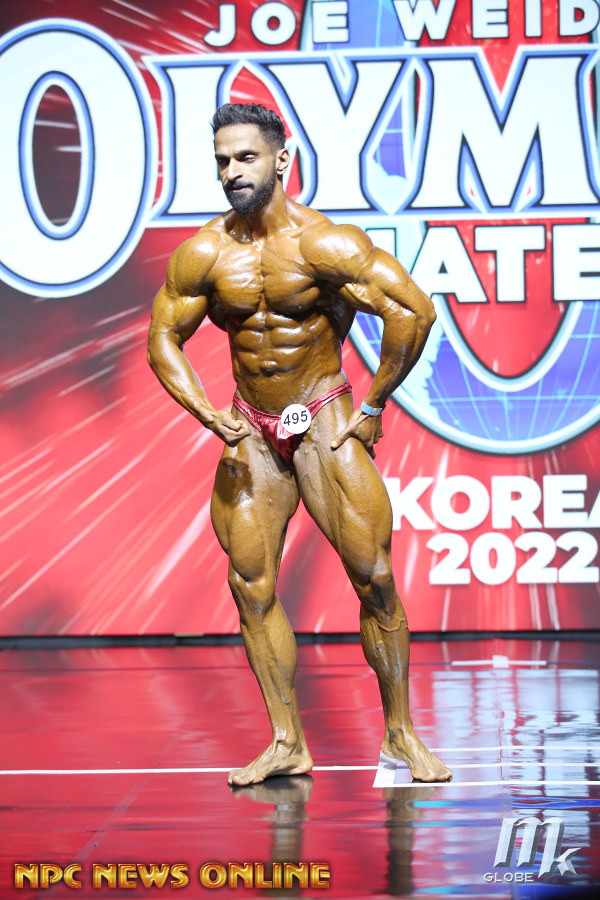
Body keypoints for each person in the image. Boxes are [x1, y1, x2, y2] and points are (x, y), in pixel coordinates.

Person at [147, 103, 452, 786]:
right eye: (223, 160)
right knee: (249, 585)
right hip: (250, 427)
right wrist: (207, 413)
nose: (232, 171)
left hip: (323, 419)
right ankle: (287, 741)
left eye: (245, 157)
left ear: (281, 160)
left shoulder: (324, 245)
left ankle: (400, 734)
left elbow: (414, 310)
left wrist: (373, 404)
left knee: (374, 579)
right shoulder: (205, 253)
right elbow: (162, 338)